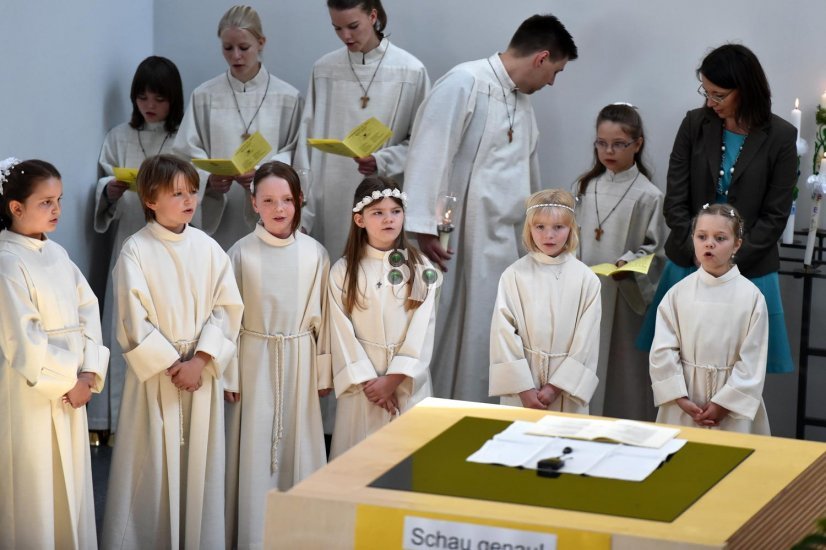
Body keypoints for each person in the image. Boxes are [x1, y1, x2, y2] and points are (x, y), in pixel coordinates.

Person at [404, 14, 578, 401]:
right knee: (450, 328)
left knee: (491, 329)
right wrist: (423, 227)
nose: (552, 82)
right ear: (541, 58)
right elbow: (430, 150)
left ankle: (480, 410)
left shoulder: (523, 103)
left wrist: (539, 229)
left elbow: (528, 173)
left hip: (504, 243)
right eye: (555, 71)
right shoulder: (465, 82)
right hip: (460, 239)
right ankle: (439, 414)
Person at [102, 155, 243, 549]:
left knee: (200, 469)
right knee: (150, 468)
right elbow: (132, 320)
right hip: (158, 380)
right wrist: (174, 365)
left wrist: (200, 360)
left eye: (192, 191)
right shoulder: (135, 250)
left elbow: (228, 308)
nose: (189, 200)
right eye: (177, 193)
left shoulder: (209, 248)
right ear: (150, 199)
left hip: (200, 374)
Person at [638, 44, 797, 375]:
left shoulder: (781, 136)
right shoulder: (695, 124)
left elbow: (775, 216)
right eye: (706, 92)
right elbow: (675, 199)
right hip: (689, 263)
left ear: (746, 90)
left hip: (749, 269)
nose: (710, 102)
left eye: (719, 95)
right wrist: (701, 252)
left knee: (740, 374)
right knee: (677, 369)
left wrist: (728, 260)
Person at [0, 158, 109, 549]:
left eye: (59, 199)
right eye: (46, 202)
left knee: (70, 489)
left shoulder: (58, 254)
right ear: (16, 208)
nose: (57, 209)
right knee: (36, 491)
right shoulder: (7, 261)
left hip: (72, 391)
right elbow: (22, 340)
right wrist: (71, 380)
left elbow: (88, 311)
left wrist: (89, 375)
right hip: (33, 394)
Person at [224, 162, 331, 549]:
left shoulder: (315, 254)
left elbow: (326, 320)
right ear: (254, 203)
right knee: (254, 450)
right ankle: (253, 536)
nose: (279, 208)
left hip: (300, 359)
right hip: (253, 361)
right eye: (268, 200)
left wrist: (323, 373)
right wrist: (229, 374)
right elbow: (227, 320)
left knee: (300, 447)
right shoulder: (240, 253)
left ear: (300, 200)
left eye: (286, 199)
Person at [88, 55, 184, 436]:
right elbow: (103, 184)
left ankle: (163, 420)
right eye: (142, 97)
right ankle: (116, 422)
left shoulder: (183, 139)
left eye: (159, 98)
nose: (149, 105)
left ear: (173, 99)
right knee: (124, 324)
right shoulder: (119, 137)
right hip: (129, 235)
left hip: (169, 246)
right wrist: (109, 190)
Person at [294, 0, 430, 261]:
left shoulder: (410, 71)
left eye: (353, 26)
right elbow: (306, 142)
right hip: (331, 197)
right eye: (337, 28)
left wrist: (382, 160)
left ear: (373, 16)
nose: (346, 36)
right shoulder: (324, 70)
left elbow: (423, 144)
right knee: (335, 269)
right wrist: (302, 209)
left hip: (385, 196)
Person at [173, 4, 302, 249]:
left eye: (244, 48)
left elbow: (296, 152)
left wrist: (263, 175)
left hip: (270, 210)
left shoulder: (288, 98)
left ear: (261, 43)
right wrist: (208, 179)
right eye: (227, 48)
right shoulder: (204, 96)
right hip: (219, 211)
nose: (235, 56)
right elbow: (184, 152)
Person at [328, 176, 438, 458]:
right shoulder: (343, 272)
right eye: (378, 212)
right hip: (364, 389)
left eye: (395, 211)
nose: (389, 219)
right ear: (360, 220)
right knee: (359, 462)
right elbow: (340, 332)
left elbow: (423, 328)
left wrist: (393, 380)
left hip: (405, 384)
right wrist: (371, 383)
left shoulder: (420, 268)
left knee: (406, 460)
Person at [573, 103, 665, 420]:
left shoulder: (648, 195)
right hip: (586, 294)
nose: (608, 151)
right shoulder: (586, 187)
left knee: (622, 375)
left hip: (625, 296)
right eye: (602, 143)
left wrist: (629, 264)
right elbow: (571, 235)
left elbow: (656, 251)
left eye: (618, 144)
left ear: (637, 144)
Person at [650, 204, 770, 434]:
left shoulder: (751, 297)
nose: (709, 243)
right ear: (693, 239)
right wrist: (679, 397)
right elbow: (662, 350)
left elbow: (753, 359)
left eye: (720, 238)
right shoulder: (677, 294)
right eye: (702, 236)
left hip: (732, 409)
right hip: (685, 401)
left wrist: (724, 404)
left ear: (736, 244)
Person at [489, 189, 600, 413]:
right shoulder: (514, 275)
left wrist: (555, 387)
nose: (549, 235)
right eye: (540, 227)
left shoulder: (586, 279)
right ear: (529, 228)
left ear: (571, 229)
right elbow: (503, 333)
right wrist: (524, 388)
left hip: (565, 388)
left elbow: (586, 340)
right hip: (523, 384)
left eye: (558, 227)